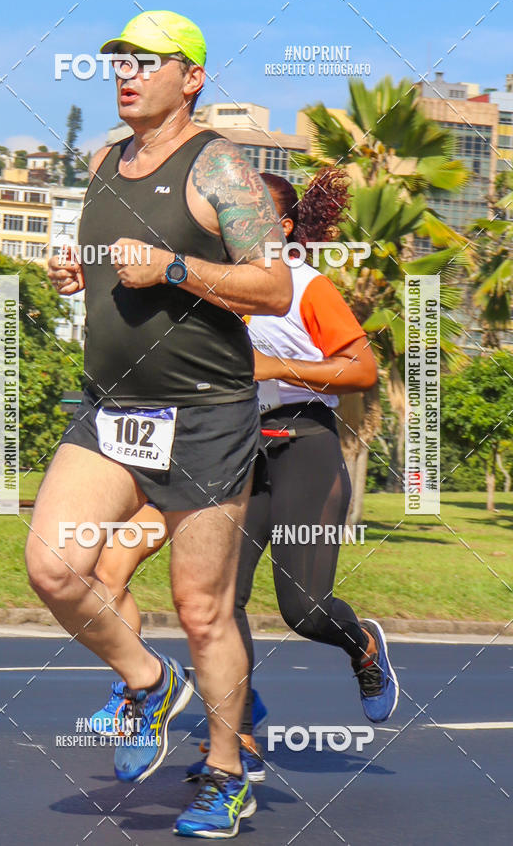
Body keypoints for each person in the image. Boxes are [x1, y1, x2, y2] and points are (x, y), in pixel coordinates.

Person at [26, 9, 292, 839]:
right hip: (114, 408)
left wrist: (176, 267)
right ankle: (148, 681)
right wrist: (79, 272)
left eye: (148, 61)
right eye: (120, 61)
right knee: (54, 567)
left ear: (192, 77)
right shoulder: (103, 160)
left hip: (206, 414)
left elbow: (273, 288)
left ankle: (225, 773)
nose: (127, 74)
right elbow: (114, 265)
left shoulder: (221, 168)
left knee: (201, 608)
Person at [95, 169, 400, 788]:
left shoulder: (307, 286)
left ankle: (363, 645)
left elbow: (362, 370)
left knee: (304, 609)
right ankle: (237, 743)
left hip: (303, 442)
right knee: (219, 605)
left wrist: (274, 367)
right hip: (231, 449)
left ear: (279, 227)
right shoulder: (207, 285)